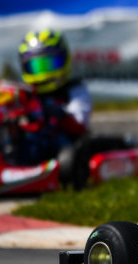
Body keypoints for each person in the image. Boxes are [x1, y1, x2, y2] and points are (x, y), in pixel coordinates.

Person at [7, 29, 93, 165]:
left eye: (49, 64)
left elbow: (79, 125)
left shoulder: (75, 89)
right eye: (38, 66)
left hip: (65, 146)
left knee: (44, 143)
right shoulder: (25, 94)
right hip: (30, 142)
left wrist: (53, 111)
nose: (43, 73)